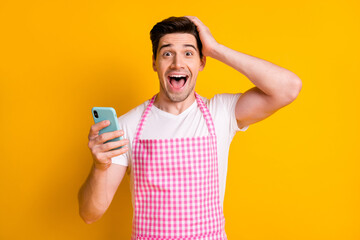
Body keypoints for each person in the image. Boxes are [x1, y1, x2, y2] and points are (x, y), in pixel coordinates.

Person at [78, 16, 302, 239]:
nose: (177, 63)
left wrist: (216, 49)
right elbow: (90, 213)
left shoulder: (220, 113)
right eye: (167, 53)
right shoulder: (128, 125)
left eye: (188, 53)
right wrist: (100, 167)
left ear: (201, 62)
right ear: (155, 63)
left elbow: (289, 88)